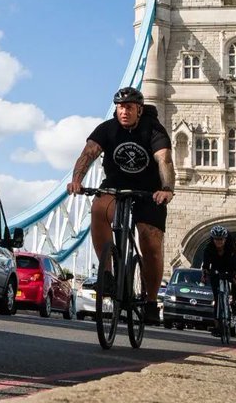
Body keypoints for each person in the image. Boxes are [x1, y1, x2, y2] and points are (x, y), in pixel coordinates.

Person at [65, 86, 174, 326]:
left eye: (129, 107)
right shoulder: (108, 129)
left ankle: (151, 302)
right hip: (115, 185)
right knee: (98, 209)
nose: (123, 111)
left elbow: (164, 160)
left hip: (149, 190)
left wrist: (166, 189)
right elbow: (88, 154)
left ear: (139, 110)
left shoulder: (153, 129)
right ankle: (107, 274)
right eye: (120, 107)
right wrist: (76, 181)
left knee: (150, 241)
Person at [200, 224, 236, 329]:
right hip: (216, 269)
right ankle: (217, 323)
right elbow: (206, 265)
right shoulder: (208, 248)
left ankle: (233, 300)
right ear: (213, 239)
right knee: (217, 297)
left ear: (225, 239)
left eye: (221, 239)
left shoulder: (231, 248)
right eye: (216, 239)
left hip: (229, 267)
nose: (219, 242)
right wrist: (204, 274)